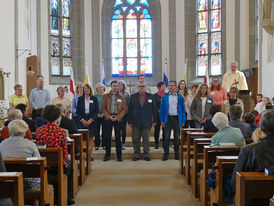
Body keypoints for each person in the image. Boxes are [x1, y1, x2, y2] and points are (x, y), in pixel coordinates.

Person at [232, 109, 274, 206]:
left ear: (261, 129)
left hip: (254, 201)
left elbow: (235, 183)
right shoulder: (248, 150)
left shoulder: (248, 151)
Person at [35, 105, 74, 205]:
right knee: (69, 166)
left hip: (43, 164)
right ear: (58, 117)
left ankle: (54, 195)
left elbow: (39, 148)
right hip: (58, 165)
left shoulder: (39, 131)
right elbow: (64, 154)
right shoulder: (61, 132)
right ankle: (68, 196)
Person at [0, 120, 41, 194]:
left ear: (9, 131)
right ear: (25, 132)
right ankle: (35, 202)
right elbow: (39, 163)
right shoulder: (30, 144)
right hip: (27, 183)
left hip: (7, 182)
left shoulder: (2, 144)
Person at [128, 82, 157, 161]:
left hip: (147, 122)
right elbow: (129, 110)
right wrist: (129, 121)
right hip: (135, 122)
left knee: (146, 139)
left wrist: (154, 120)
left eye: (143, 86)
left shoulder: (151, 96)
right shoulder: (133, 97)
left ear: (145, 87)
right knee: (135, 139)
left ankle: (146, 154)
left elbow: (154, 109)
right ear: (137, 87)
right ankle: (136, 154)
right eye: (140, 86)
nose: (142, 88)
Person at [160, 80, 186, 161]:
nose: (170, 87)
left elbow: (183, 110)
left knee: (177, 137)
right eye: (169, 86)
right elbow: (162, 110)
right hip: (167, 119)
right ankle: (166, 153)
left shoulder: (180, 97)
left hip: (177, 119)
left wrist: (183, 121)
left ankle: (176, 153)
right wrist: (162, 120)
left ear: (175, 86)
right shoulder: (165, 96)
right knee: (166, 137)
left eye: (172, 85)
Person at [101, 81, 126, 162]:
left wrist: (118, 117)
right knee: (107, 137)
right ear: (111, 87)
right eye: (113, 86)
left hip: (118, 119)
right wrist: (109, 116)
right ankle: (107, 155)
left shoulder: (121, 97)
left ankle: (119, 156)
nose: (115, 87)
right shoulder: (106, 96)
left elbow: (124, 109)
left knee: (118, 138)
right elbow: (103, 108)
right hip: (108, 118)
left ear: (118, 87)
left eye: (116, 86)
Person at [94, 83, 106, 150]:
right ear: (97, 89)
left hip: (105, 115)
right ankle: (97, 144)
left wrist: (104, 113)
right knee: (97, 131)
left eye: (101, 87)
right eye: (98, 88)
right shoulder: (94, 96)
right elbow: (93, 107)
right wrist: (97, 114)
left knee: (104, 131)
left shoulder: (106, 96)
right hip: (96, 116)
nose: (100, 89)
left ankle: (104, 144)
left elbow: (108, 106)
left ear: (103, 88)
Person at [154, 81, 166, 149]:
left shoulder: (166, 95)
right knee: (157, 130)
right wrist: (158, 110)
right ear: (159, 87)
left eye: (164, 86)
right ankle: (156, 143)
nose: (164, 87)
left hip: (165, 115)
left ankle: (164, 143)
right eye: (163, 86)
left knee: (165, 130)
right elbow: (154, 105)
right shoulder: (155, 96)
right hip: (157, 115)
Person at [118, 80, 130, 150]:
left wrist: (124, 112)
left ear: (124, 86)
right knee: (117, 129)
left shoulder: (126, 94)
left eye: (121, 85)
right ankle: (118, 143)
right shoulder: (115, 94)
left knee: (123, 129)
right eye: (119, 85)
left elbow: (127, 105)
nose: (120, 86)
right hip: (116, 115)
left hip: (124, 114)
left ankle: (123, 143)